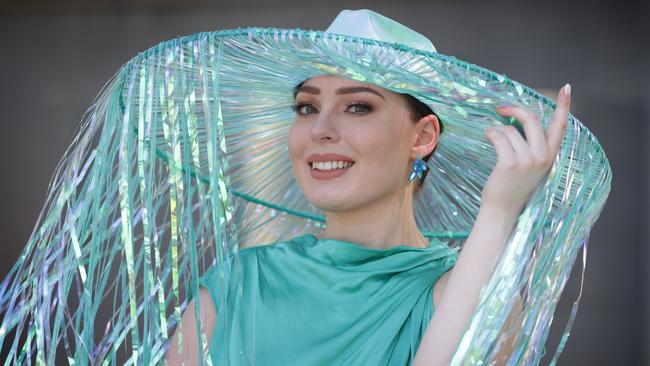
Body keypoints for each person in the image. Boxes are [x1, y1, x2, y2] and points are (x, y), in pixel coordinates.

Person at [164, 69, 570, 364]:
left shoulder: (462, 292)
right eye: (306, 107)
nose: (319, 130)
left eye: (357, 106)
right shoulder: (234, 287)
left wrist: (499, 211)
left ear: (422, 137)